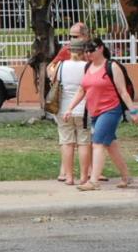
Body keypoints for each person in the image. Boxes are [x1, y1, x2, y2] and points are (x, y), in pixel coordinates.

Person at [62, 38, 138, 191]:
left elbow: (123, 91)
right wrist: (70, 108)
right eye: (85, 51)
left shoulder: (112, 66)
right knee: (111, 146)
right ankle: (126, 177)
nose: (87, 54)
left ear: (100, 48)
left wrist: (134, 111)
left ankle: (93, 181)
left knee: (97, 143)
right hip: (95, 113)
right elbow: (82, 90)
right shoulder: (88, 67)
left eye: (90, 50)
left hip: (111, 110)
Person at [47, 38, 91, 185]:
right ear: (83, 51)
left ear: (69, 51)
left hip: (63, 109)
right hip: (84, 109)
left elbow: (53, 80)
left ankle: (69, 177)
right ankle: (84, 177)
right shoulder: (88, 66)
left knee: (66, 143)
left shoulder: (60, 65)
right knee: (83, 142)